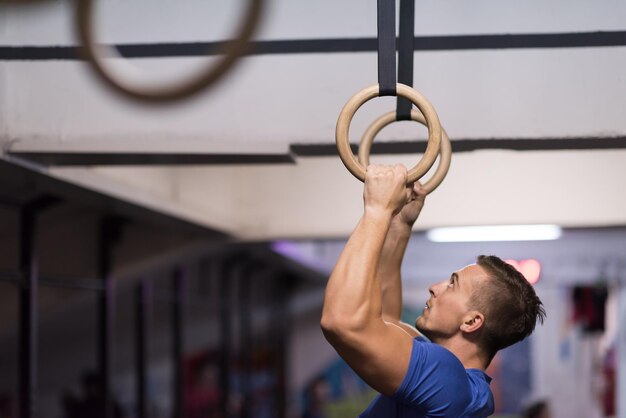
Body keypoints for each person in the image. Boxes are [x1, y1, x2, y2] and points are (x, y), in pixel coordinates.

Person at [320, 164, 546, 417]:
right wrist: (400, 225)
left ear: (471, 321)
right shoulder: (463, 388)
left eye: (452, 284)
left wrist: (377, 210)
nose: (434, 288)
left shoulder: (447, 380)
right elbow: (383, 321)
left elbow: (341, 321)